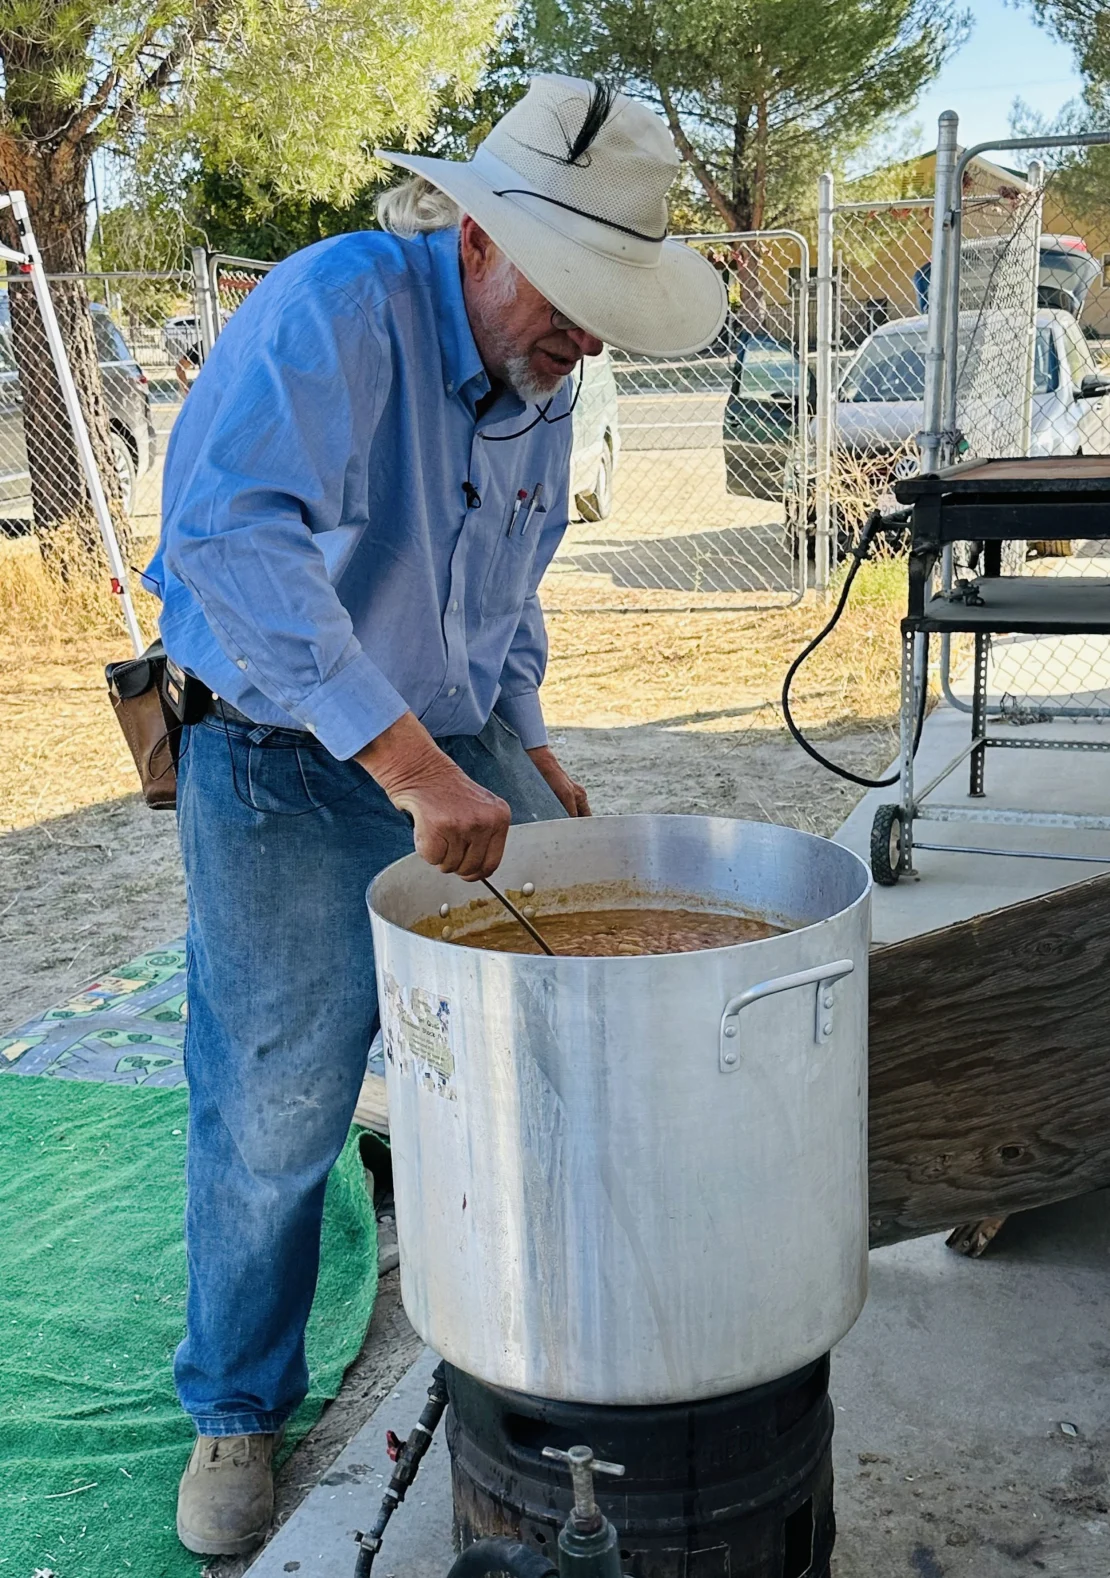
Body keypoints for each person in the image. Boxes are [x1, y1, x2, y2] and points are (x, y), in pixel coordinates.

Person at [144, 72, 725, 1558]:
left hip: (448, 735)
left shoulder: (544, 370)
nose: (586, 333)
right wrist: (414, 769)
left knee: (563, 1003)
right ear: (475, 235)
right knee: (280, 1093)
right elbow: (223, 545)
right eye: (572, 293)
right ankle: (235, 1404)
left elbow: (503, 590)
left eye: (606, 303)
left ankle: (549, 1286)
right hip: (277, 751)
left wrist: (522, 735)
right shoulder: (331, 312)